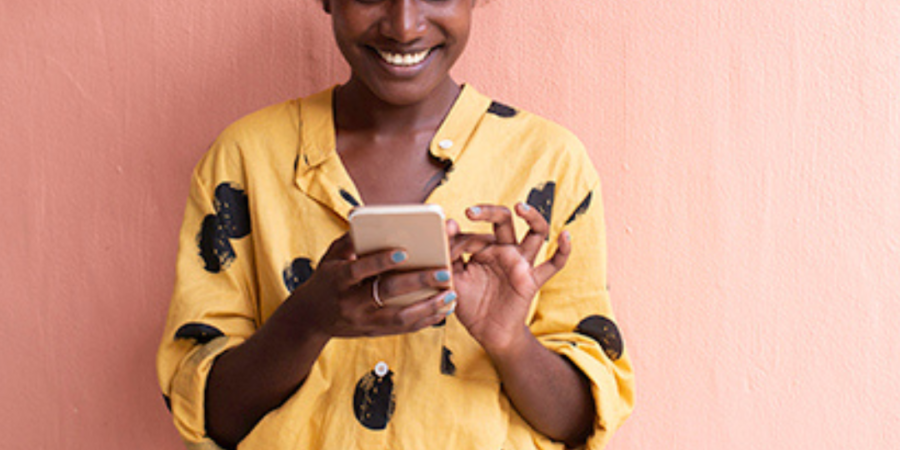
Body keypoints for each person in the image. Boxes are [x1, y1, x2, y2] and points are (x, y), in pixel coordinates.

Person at [156, 1, 634, 449]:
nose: (404, 26)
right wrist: (308, 319)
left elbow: (578, 423)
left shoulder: (548, 163)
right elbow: (209, 415)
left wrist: (510, 340)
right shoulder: (245, 159)